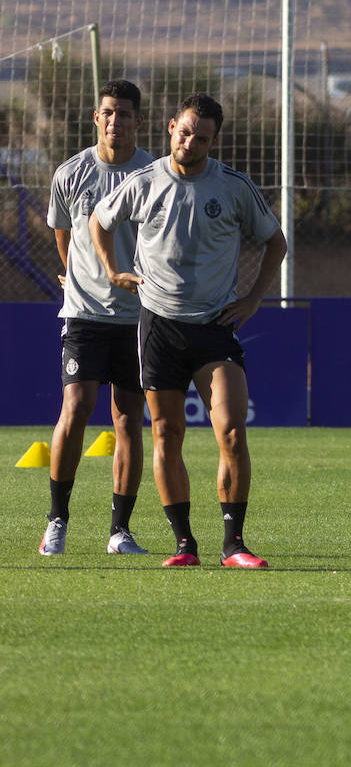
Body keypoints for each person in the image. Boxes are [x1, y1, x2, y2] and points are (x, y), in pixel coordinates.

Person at [90, 93, 287, 569]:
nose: (190, 143)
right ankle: (185, 546)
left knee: (232, 432)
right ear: (171, 127)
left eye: (201, 138)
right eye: (184, 132)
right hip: (159, 326)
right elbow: (99, 221)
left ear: (213, 141)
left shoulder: (233, 187)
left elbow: (276, 243)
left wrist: (253, 299)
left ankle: (234, 544)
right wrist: (113, 270)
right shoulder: (144, 181)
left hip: (215, 326)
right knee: (166, 433)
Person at [41, 79, 155, 556]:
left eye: (124, 114)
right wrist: (75, 272)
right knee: (76, 407)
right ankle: (57, 520)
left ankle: (119, 531)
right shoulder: (71, 173)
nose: (115, 121)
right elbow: (63, 232)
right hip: (84, 312)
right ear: (96, 118)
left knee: (128, 419)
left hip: (138, 316)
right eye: (108, 112)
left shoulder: (153, 173)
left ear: (138, 121)